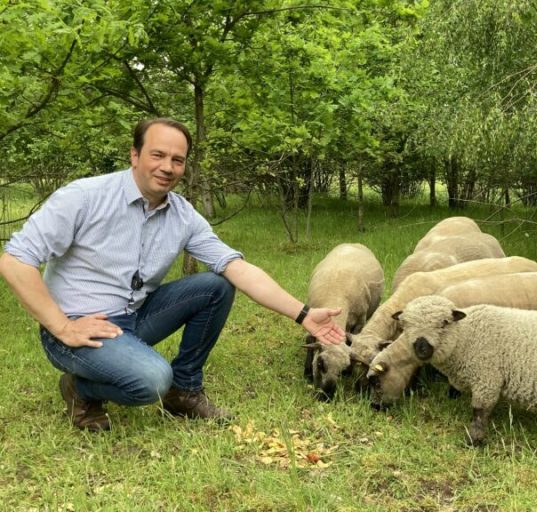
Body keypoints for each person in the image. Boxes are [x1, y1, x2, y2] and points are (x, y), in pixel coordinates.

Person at [0, 118, 345, 432]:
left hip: (132, 318)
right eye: (157, 155)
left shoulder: (183, 215)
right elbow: (14, 261)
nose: (167, 167)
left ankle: (184, 391)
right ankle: (79, 387)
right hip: (75, 327)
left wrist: (303, 314)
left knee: (216, 285)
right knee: (151, 381)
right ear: (134, 155)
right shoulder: (84, 198)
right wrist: (63, 326)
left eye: (177, 160)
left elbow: (237, 268)